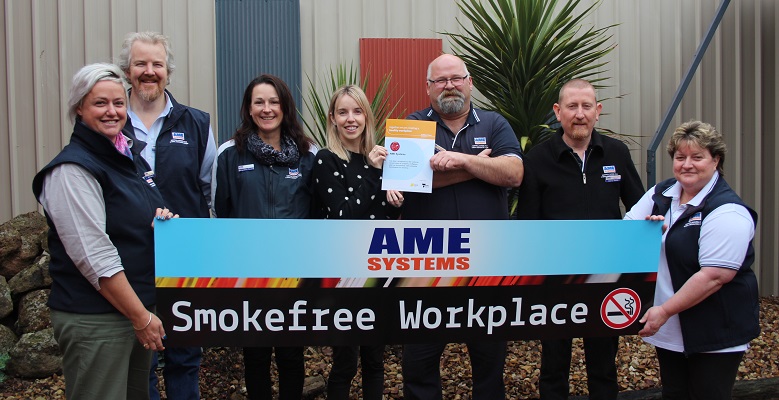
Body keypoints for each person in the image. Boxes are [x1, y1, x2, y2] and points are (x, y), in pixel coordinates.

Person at [31, 63, 175, 399]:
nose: (112, 111)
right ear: (79, 108)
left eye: (118, 103)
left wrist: (159, 221)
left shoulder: (127, 156)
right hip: (97, 319)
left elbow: (130, 216)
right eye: (100, 103)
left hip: (132, 309)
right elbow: (94, 256)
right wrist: (141, 316)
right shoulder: (73, 169)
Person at [400, 54, 524, 400]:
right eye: (440, 80)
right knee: (419, 361)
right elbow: (410, 183)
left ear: (469, 82)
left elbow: (513, 174)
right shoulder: (412, 124)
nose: (449, 85)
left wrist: (459, 160)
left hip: (486, 261)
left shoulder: (495, 123)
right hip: (427, 263)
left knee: (489, 360)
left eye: (456, 78)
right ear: (428, 88)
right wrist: (478, 167)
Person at [516, 78, 644, 400]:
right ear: (558, 112)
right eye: (572, 107)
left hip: (606, 278)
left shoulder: (616, 153)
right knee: (553, 365)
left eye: (586, 106)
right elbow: (527, 222)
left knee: (603, 366)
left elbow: (639, 207)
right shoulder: (538, 160)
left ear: (597, 111)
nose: (580, 114)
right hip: (556, 280)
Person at [624, 120, 759, 400]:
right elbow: (625, 232)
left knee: (708, 393)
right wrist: (646, 234)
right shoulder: (662, 193)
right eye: (680, 157)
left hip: (714, 328)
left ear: (716, 160)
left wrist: (663, 311)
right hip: (671, 328)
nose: (687, 164)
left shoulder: (727, 211)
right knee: (675, 393)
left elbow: (713, 276)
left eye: (697, 157)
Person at [117, 30, 217, 400]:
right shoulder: (111, 122)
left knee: (186, 355)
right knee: (141, 359)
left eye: (156, 64)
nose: (149, 71)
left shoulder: (196, 123)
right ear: (127, 71)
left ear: (168, 71)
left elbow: (209, 190)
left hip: (185, 258)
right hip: (130, 259)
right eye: (140, 63)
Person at [212, 74, 314, 400]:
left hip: (294, 273)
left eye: (274, 102)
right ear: (248, 108)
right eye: (259, 102)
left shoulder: (308, 153)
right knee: (254, 355)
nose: (267, 109)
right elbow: (218, 212)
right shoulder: (229, 154)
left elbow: (318, 211)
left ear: (285, 107)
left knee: (291, 354)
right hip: (249, 273)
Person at [312, 85, 402, 399]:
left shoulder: (383, 158)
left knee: (375, 359)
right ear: (332, 119)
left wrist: (395, 204)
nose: (351, 119)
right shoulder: (325, 161)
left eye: (357, 111)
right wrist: (375, 174)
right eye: (343, 112)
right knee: (346, 361)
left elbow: (386, 221)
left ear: (367, 116)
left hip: (379, 268)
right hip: (344, 274)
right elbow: (342, 216)